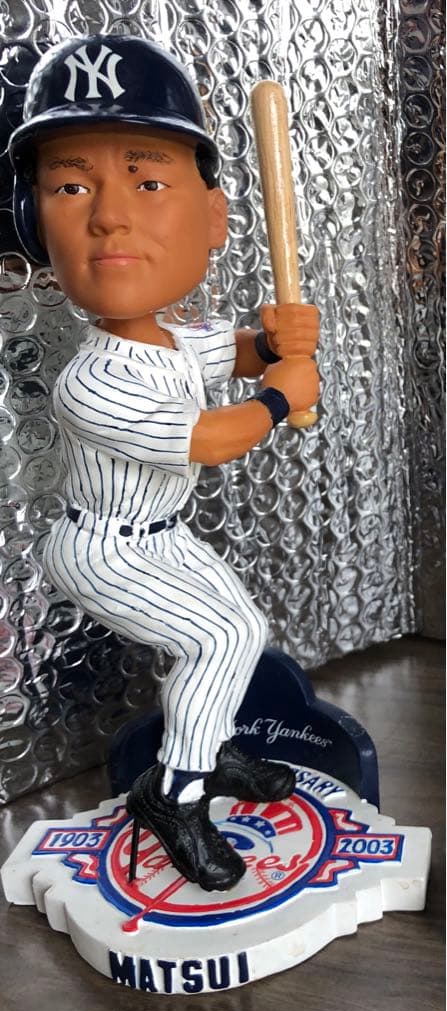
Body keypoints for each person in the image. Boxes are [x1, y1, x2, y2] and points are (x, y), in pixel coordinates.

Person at [9, 34, 320, 892]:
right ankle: (174, 794)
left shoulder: (170, 338)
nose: (110, 216)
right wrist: (279, 396)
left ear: (212, 220)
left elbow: (235, 349)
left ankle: (206, 751)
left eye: (146, 182)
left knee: (240, 630)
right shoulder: (91, 382)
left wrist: (275, 343)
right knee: (217, 637)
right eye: (71, 187)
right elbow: (211, 439)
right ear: (35, 222)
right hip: (103, 548)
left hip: (160, 534)